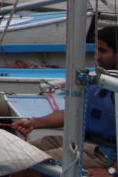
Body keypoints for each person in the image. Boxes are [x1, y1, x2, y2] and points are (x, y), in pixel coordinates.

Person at [12, 26, 117, 176]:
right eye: (96, 50)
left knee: (37, 164)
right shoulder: (96, 80)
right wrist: (34, 123)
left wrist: (111, 172)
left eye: (103, 51)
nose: (97, 56)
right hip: (79, 142)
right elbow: (72, 113)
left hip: (104, 154)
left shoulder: (114, 86)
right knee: (18, 154)